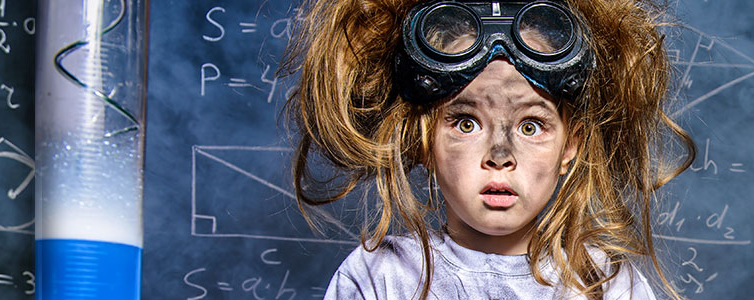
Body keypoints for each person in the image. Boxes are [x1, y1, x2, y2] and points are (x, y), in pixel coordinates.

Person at [281, 0, 694, 298]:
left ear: (571, 145)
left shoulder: (602, 283)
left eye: (531, 126)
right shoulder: (381, 276)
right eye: (466, 123)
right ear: (422, 141)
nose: (500, 154)